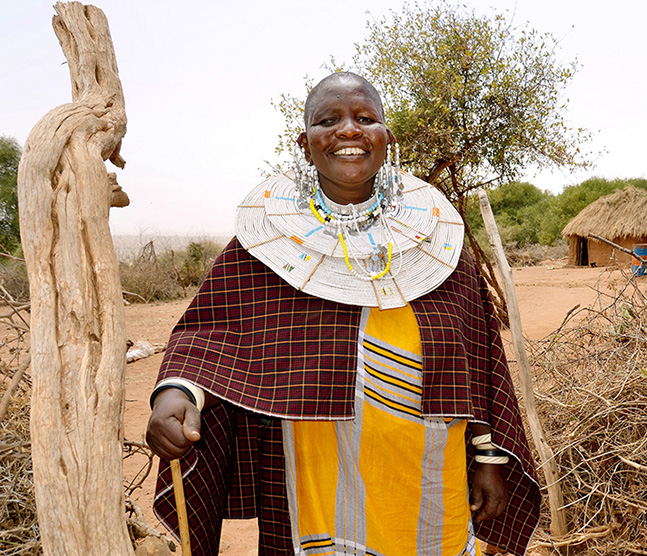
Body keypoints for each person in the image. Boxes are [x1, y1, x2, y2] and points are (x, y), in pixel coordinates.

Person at [146, 72, 540, 556]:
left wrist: (488, 456)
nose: (348, 130)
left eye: (365, 118)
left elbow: (476, 362)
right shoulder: (265, 245)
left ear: (386, 137)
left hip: (427, 476)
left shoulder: (441, 242)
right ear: (304, 143)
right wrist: (176, 392)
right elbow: (209, 333)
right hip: (308, 475)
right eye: (327, 120)